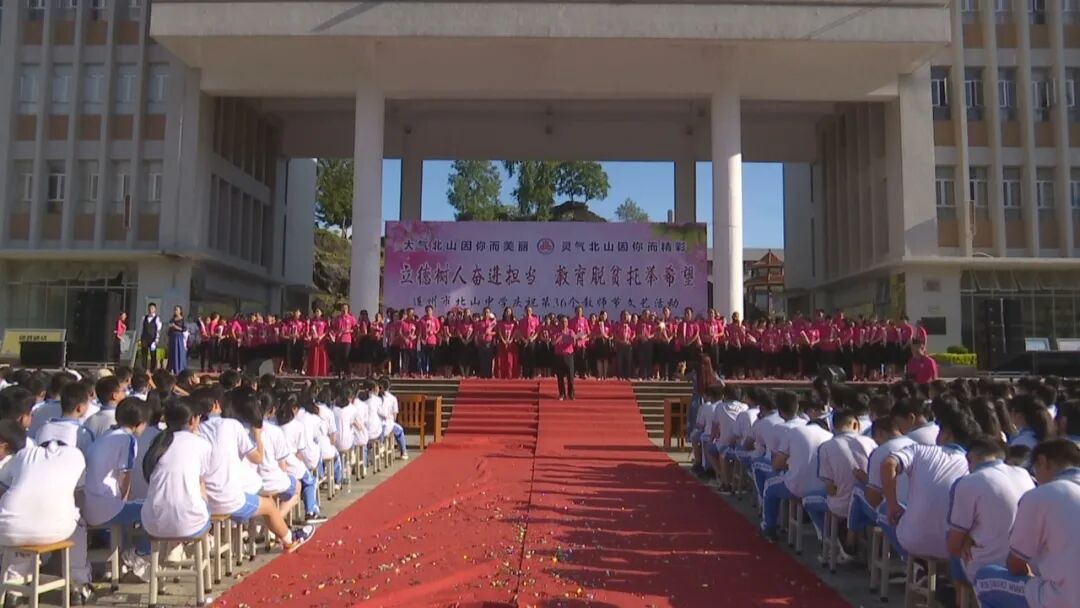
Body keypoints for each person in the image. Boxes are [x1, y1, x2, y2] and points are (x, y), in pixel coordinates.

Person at [974, 439, 1080, 608]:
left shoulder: (1042, 495)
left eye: (1035, 469)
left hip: (1063, 598)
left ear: (1042, 461)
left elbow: (1016, 564)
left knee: (985, 578)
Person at [0, 418, 95, 604]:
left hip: (7, 529)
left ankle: (13, 588)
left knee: (21, 523)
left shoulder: (23, 455)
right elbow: (80, 497)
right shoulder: (76, 456)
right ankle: (78, 584)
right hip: (57, 530)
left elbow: (4, 488)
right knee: (79, 523)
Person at [879, 407, 980, 561]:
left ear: (947, 434)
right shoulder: (974, 465)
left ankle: (913, 563)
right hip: (954, 546)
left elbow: (888, 465)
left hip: (913, 541)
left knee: (884, 509)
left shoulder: (920, 451)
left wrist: (892, 504)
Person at [946, 435, 1035, 595]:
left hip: (990, 571)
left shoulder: (969, 482)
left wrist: (965, 539)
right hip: (1028, 568)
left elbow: (953, 545)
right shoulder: (1023, 474)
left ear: (969, 457)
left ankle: (959, 601)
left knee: (952, 543)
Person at [83, 398, 151, 579]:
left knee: (129, 515)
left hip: (90, 501)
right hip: (105, 505)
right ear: (140, 424)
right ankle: (139, 554)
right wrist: (125, 499)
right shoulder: (127, 439)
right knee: (153, 509)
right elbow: (125, 475)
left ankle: (124, 557)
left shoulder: (105, 436)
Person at [804, 409, 876, 557]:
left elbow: (830, 487)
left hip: (841, 505)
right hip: (869, 503)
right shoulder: (871, 443)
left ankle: (831, 542)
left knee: (807, 500)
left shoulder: (826, 447)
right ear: (855, 425)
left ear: (833, 426)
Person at [760, 397, 832, 541]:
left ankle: (769, 527)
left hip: (796, 486)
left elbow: (777, 464)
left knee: (769, 485)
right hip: (823, 488)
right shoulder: (830, 437)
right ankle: (826, 536)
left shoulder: (794, 432)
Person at [84, 375, 126, 440]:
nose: (125, 394)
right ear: (115, 396)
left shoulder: (89, 420)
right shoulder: (120, 419)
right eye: (123, 391)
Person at [553, 316, 576, 401]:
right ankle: (562, 394)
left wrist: (573, 338)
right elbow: (553, 342)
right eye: (562, 322)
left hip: (568, 356)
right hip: (559, 356)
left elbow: (573, 341)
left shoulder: (571, 331)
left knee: (570, 377)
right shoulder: (556, 332)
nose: (564, 323)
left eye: (565, 322)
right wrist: (561, 336)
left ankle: (571, 394)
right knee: (560, 376)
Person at [138, 303, 163, 372]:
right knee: (144, 354)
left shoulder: (157, 318)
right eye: (149, 308)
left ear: (155, 309)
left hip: (152, 338)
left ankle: (152, 369)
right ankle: (144, 368)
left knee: (153, 354)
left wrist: (157, 339)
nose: (150, 309)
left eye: (152, 308)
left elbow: (158, 329)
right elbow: (141, 328)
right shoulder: (144, 318)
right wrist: (139, 338)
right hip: (144, 338)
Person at [306, 307, 330, 377]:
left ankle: (322, 372)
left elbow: (327, 330)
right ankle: (313, 372)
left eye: (318, 311)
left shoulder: (324, 321)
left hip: (321, 340)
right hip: (314, 340)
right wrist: (312, 335)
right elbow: (309, 331)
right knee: (314, 355)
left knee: (322, 355)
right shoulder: (312, 321)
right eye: (316, 311)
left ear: (321, 313)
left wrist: (321, 336)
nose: (317, 313)